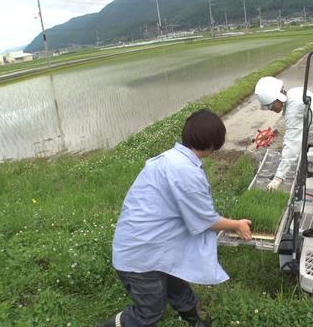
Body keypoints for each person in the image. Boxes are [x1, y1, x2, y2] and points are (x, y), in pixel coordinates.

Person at [96, 109, 252, 327]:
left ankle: (195, 322)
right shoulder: (184, 170)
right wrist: (237, 224)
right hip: (141, 254)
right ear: (211, 141)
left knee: (177, 282)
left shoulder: (172, 158)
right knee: (149, 313)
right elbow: (206, 220)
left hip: (153, 243)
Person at [254, 76, 313, 237]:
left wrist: (279, 178)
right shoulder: (297, 92)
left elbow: (291, 147)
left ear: (279, 98)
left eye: (270, 105)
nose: (271, 109)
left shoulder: (293, 110)